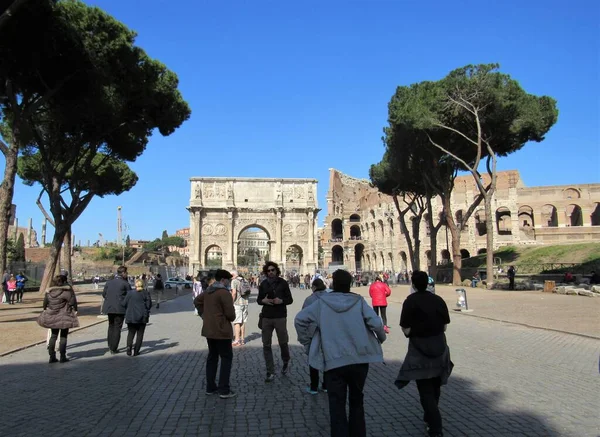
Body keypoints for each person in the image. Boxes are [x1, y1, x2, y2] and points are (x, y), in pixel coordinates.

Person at [295, 269, 386, 437]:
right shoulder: (358, 301)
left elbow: (300, 319)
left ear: (333, 284)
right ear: (350, 284)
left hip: (333, 361)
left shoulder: (322, 303)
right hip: (359, 360)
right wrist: (380, 339)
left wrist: (307, 342)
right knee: (357, 402)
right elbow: (376, 323)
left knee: (336, 405)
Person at [395, 271, 453, 437]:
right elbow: (444, 326)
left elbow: (405, 328)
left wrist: (413, 332)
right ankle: (430, 416)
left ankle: (435, 427)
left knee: (425, 390)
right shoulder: (438, 300)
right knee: (435, 385)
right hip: (440, 346)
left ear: (412, 284)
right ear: (427, 283)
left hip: (419, 349)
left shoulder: (410, 301)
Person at [194, 269, 237, 399]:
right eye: (228, 280)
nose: (229, 283)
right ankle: (224, 389)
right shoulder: (224, 293)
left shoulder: (209, 291)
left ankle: (210, 387)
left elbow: (197, 301)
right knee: (226, 358)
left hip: (209, 330)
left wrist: (204, 315)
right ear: (223, 280)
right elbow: (231, 315)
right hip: (222, 330)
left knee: (212, 358)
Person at [257, 261, 293, 382]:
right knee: (266, 344)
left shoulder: (283, 283)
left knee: (283, 342)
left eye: (273, 270)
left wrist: (281, 301)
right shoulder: (263, 284)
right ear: (266, 272)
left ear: (277, 271)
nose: (271, 272)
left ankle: (286, 360)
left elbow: (290, 299)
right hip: (266, 316)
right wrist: (264, 301)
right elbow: (258, 300)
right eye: (268, 270)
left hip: (280, 316)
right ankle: (270, 371)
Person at [39, 275, 79, 363]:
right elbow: (72, 302)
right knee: (63, 336)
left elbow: (45, 304)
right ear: (63, 282)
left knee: (53, 336)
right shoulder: (66, 292)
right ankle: (62, 356)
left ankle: (52, 356)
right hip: (65, 315)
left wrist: (47, 309)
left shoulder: (49, 292)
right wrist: (75, 309)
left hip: (52, 315)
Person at [300, 278, 328, 395]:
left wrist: (304, 337)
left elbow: (302, 317)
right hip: (328, 332)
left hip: (313, 332)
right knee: (328, 358)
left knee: (313, 358)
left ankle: (314, 387)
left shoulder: (309, 299)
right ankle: (326, 385)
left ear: (314, 287)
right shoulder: (330, 298)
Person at [102, 265, 131, 354]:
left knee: (111, 326)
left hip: (109, 307)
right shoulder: (125, 283)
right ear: (123, 273)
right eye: (126, 273)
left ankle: (110, 345)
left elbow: (104, 294)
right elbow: (129, 296)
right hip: (119, 308)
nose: (127, 274)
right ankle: (114, 348)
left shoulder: (109, 282)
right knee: (117, 328)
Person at [124, 279, 152, 356]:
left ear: (135, 285)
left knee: (130, 333)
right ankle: (136, 351)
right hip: (142, 317)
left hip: (131, 316)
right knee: (140, 335)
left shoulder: (130, 293)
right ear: (143, 285)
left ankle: (129, 348)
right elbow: (149, 305)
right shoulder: (146, 293)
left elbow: (124, 303)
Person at [230, 271, 249, 346]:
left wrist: (231, 302)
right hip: (245, 303)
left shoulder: (234, 281)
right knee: (243, 322)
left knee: (237, 322)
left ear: (233, 275)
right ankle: (242, 340)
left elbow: (234, 293)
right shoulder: (245, 280)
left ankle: (237, 340)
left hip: (237, 303)